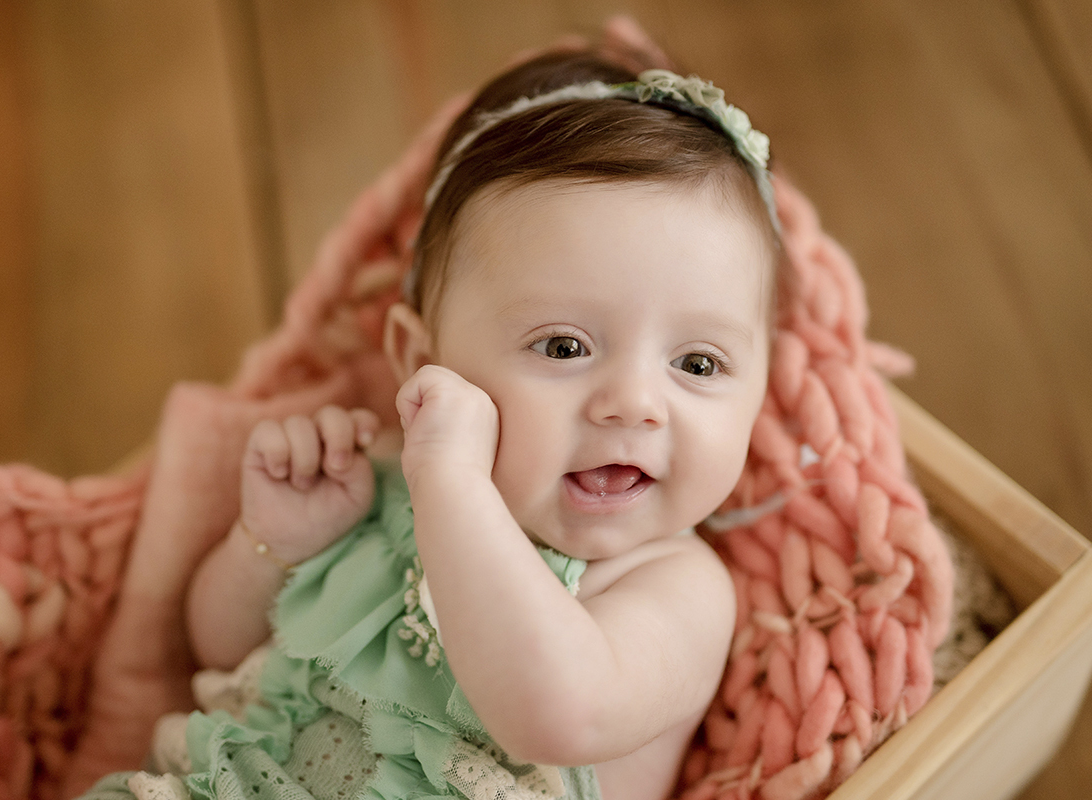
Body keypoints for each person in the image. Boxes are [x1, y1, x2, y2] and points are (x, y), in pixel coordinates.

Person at [91, 47, 783, 800]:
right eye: (564, 346)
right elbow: (222, 652)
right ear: (423, 362)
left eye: (699, 364)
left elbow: (559, 717)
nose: (634, 404)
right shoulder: (386, 479)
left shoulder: (676, 586)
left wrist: (453, 486)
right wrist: (270, 543)